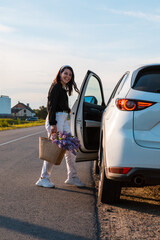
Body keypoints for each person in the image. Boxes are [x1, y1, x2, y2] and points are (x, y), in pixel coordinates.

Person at [36, 65, 85, 188]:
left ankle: (72, 177)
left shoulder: (63, 89)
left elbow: (60, 105)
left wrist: (68, 109)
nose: (67, 76)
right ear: (60, 73)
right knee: (53, 150)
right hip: (56, 121)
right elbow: (51, 106)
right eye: (65, 73)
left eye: (70, 74)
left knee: (71, 148)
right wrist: (53, 124)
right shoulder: (56, 86)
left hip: (63, 120)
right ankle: (43, 178)